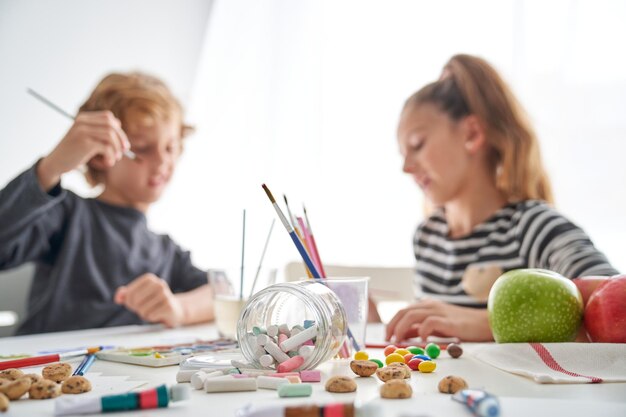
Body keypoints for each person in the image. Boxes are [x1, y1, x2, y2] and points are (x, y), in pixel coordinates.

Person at [385, 54, 618, 342]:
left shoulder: (534, 227)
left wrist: (488, 323)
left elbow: (615, 303)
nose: (406, 167)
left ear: (472, 133)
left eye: (417, 145)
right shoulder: (427, 237)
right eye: (403, 154)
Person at [0, 72, 214, 334]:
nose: (162, 162)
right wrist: (51, 167)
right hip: (48, 371)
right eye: (143, 148)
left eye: (170, 148)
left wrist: (180, 308)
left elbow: (222, 294)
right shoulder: (66, 213)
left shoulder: (166, 252)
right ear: (100, 155)